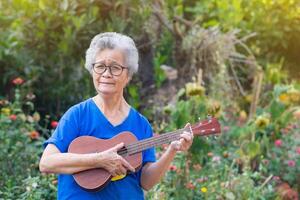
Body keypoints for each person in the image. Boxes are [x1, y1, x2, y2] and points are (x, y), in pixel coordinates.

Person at [39, 32, 193, 200]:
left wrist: (172, 150)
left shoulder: (140, 124)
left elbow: (147, 182)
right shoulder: (77, 115)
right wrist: (99, 160)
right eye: (100, 66)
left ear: (128, 75)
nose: (106, 73)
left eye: (115, 67)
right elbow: (47, 163)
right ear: (92, 71)